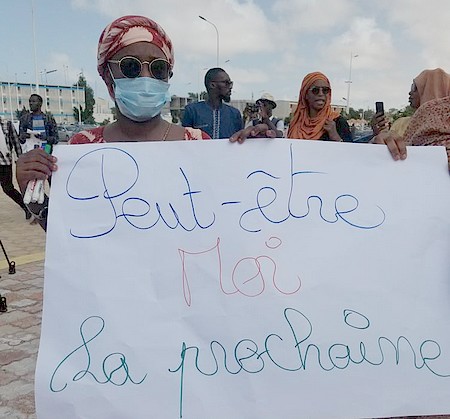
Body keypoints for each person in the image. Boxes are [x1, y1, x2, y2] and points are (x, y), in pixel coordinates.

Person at [16, 15, 210, 230]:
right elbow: (70, 235)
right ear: (108, 77)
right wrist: (34, 198)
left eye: (158, 69)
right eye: (131, 66)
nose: (146, 77)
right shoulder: (83, 147)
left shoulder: (199, 144)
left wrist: (242, 153)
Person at [231, 71, 352, 143]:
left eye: (325, 90)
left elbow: (351, 159)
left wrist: (335, 137)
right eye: (315, 90)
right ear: (305, 94)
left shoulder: (337, 122)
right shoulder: (296, 123)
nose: (321, 94)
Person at [372, 68, 450, 137]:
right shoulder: (400, 124)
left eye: (415, 87)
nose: (410, 92)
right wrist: (380, 134)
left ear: (430, 90)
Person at [182, 67, 243, 139]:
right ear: (212, 85)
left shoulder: (234, 114)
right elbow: (185, 139)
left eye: (230, 83)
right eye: (226, 83)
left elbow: (240, 141)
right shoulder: (192, 111)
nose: (230, 87)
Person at [0, 118, 31, 219]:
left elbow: (16, 142)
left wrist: (20, 159)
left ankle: (26, 207)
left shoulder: (7, 124)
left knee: (8, 189)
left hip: (4, 162)